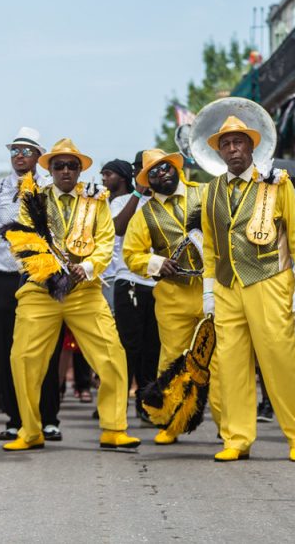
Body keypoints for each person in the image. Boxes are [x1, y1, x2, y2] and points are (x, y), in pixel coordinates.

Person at [2, 139, 138, 451]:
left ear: (80, 170)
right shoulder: (33, 197)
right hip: (40, 290)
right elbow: (21, 238)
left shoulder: (95, 200)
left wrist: (88, 267)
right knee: (22, 358)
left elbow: (105, 239)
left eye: (72, 166)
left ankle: (114, 428)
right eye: (59, 165)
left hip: (85, 292)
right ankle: (31, 430)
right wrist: (50, 271)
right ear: (49, 169)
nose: (65, 171)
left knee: (113, 356)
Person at [200, 115, 295, 462]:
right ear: (219, 151)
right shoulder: (210, 191)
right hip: (226, 285)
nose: (233, 149)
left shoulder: (277, 184)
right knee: (230, 366)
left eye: (239, 142)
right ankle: (237, 438)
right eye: (226, 144)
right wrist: (207, 290)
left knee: (280, 361)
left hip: (269, 281)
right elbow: (210, 246)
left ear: (252, 146)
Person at [123, 148, 222, 445]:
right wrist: (156, 264)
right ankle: (170, 423)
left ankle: (229, 426)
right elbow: (131, 254)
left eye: (165, 167)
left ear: (175, 167)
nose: (161, 174)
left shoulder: (204, 193)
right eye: (153, 172)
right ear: (147, 181)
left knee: (219, 361)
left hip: (214, 291)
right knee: (173, 360)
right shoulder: (145, 214)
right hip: (173, 296)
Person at [0, 128, 62, 442]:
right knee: (9, 350)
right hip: (5, 280)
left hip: (43, 278)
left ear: (39, 156)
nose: (19, 155)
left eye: (26, 150)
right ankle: (15, 418)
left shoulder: (52, 190)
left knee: (45, 350)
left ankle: (48, 417)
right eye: (14, 151)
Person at [102, 158, 160, 421]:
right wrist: (138, 192)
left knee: (152, 349)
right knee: (127, 348)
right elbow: (119, 227)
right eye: (145, 171)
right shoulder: (121, 201)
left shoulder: (164, 201)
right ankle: (118, 408)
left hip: (158, 284)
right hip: (129, 281)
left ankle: (146, 404)